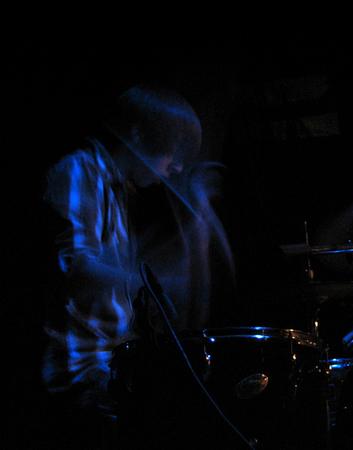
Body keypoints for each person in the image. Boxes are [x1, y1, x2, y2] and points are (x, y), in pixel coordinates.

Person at [41, 85, 234, 448]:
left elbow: (125, 274)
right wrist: (154, 278)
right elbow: (76, 270)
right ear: (137, 135)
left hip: (109, 368)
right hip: (83, 373)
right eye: (172, 153)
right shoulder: (79, 171)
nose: (176, 167)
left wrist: (194, 237)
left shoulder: (118, 191)